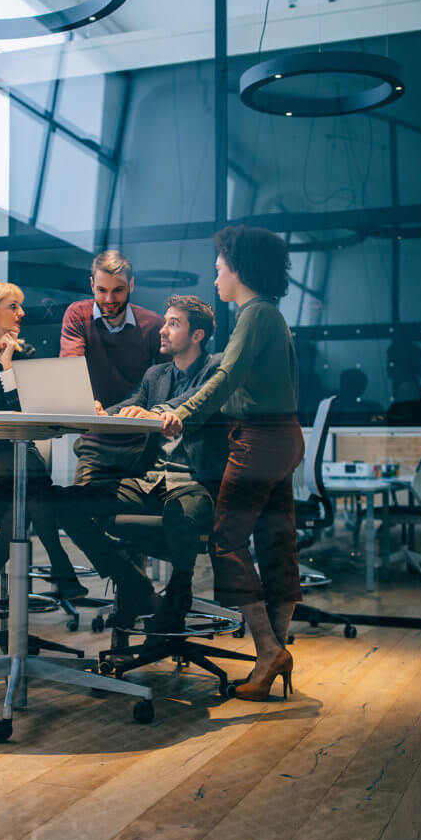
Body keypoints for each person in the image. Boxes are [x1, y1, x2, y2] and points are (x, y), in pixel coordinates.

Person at [160, 226, 304, 702]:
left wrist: (181, 413)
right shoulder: (272, 315)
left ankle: (267, 651)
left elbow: (226, 376)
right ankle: (274, 654)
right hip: (282, 437)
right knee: (275, 542)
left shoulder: (255, 314)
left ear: (238, 269)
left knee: (226, 540)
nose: (215, 276)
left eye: (219, 267)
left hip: (259, 440)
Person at [58, 295, 228, 636]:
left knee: (180, 513)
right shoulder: (156, 374)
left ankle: (178, 596)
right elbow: (130, 405)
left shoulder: (218, 369)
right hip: (148, 481)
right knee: (66, 505)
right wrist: (98, 411)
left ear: (197, 335)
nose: (162, 330)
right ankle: (132, 584)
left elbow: (197, 402)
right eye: (164, 322)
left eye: (173, 324)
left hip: (194, 483)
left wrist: (158, 411)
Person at [0, 281, 86, 611]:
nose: (21, 313)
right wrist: (7, 414)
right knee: (33, 479)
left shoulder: (25, 354)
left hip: (20, 453)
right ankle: (60, 566)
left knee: (20, 501)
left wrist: (8, 365)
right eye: (13, 306)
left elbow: (28, 413)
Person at [60, 251, 166, 483]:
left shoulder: (153, 325)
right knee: (78, 509)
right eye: (102, 290)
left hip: (142, 443)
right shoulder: (78, 315)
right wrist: (83, 400)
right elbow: (71, 366)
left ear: (131, 285)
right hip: (95, 441)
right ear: (92, 285)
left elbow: (167, 382)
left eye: (117, 290)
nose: (109, 299)